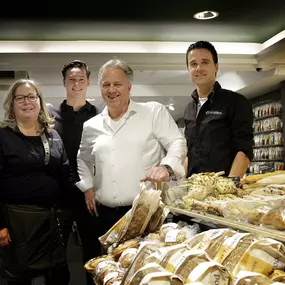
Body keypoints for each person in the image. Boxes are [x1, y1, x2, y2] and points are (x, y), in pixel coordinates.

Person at [76, 58, 187, 257]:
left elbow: (177, 141)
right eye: (106, 85)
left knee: (145, 270)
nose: (111, 90)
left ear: (129, 86)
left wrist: (167, 167)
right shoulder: (91, 126)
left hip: (146, 214)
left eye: (117, 84)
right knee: (109, 270)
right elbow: (83, 159)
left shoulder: (152, 112)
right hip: (106, 216)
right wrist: (87, 187)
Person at [0, 79, 75, 285]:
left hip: (54, 221)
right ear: (11, 104)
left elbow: (66, 175)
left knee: (59, 276)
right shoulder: (3, 136)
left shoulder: (53, 136)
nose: (27, 102)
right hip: (18, 223)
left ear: (40, 102)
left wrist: (85, 197)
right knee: (20, 278)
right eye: (20, 98)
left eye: (32, 96)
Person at [47, 60, 97, 285]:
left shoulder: (98, 115)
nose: (76, 83)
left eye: (81, 79)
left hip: (90, 196)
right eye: (71, 79)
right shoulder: (49, 117)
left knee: (92, 255)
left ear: (88, 82)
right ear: (64, 82)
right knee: (55, 258)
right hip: (59, 197)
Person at [184, 40, 253, 178]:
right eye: (193, 64)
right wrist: (180, 182)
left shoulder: (236, 102)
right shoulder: (189, 109)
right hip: (194, 189)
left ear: (216, 67)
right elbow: (189, 151)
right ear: (188, 69)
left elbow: (244, 150)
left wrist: (231, 185)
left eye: (205, 62)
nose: (199, 68)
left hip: (222, 191)